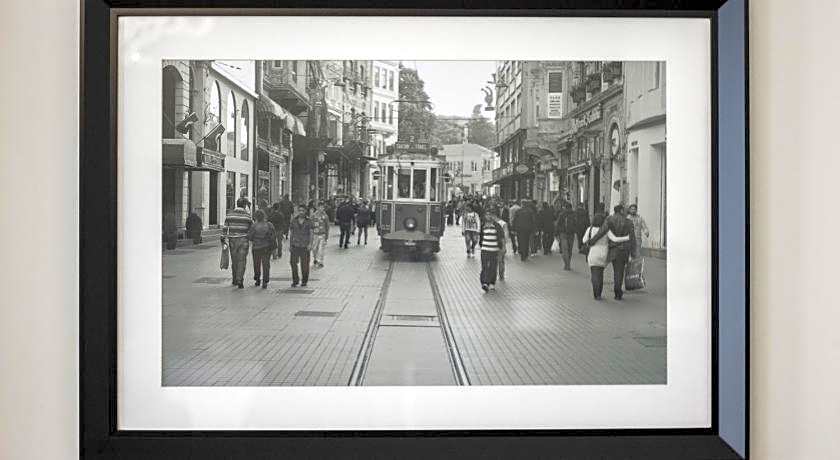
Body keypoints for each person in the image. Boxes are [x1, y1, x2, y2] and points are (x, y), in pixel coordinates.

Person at [585, 204, 636, 300]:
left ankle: (599, 289)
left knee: (602, 269)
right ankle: (617, 291)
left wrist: (592, 241)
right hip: (624, 250)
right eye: (624, 210)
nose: (626, 211)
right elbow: (632, 238)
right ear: (621, 210)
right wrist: (633, 253)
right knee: (619, 271)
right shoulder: (629, 222)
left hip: (612, 250)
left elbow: (602, 231)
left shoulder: (609, 220)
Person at [221, 197, 253, 289]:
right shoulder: (247, 216)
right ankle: (240, 279)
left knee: (234, 260)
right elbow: (251, 229)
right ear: (244, 205)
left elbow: (225, 228)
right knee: (241, 260)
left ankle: (234, 278)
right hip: (243, 241)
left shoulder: (229, 215)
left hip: (232, 241)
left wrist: (223, 238)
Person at [246, 209, 277, 289]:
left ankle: (257, 279)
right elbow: (273, 237)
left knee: (257, 264)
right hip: (266, 247)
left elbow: (250, 237)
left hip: (256, 247)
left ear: (256, 216)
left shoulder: (254, 226)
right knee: (266, 265)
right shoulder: (269, 225)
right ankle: (265, 281)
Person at [479, 210, 505, 292]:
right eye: (486, 215)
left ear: (493, 216)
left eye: (490, 215)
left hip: (494, 250)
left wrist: (503, 248)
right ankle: (485, 283)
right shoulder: (483, 225)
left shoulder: (497, 226)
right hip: (484, 249)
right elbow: (481, 237)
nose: (488, 217)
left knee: (493, 267)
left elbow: (502, 237)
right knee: (485, 267)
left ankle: (492, 283)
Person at [288, 205, 314, 287]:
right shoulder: (294, 220)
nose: (301, 212)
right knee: (293, 263)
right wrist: (290, 244)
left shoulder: (309, 221)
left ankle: (304, 280)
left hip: (305, 245)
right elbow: (291, 233)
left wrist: (310, 244)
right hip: (295, 245)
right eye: (299, 210)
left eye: (302, 210)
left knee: (305, 264)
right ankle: (295, 280)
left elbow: (311, 233)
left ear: (305, 211)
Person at [554, 202, 577, 271]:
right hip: (571, 234)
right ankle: (568, 263)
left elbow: (558, 224)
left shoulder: (562, 214)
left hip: (563, 233)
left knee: (564, 250)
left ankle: (567, 265)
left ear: (565, 207)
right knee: (569, 249)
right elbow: (576, 224)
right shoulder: (574, 214)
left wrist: (556, 233)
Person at [309, 201, 330, 269]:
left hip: (322, 234)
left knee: (321, 249)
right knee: (314, 248)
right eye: (320, 207)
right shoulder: (313, 215)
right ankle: (315, 259)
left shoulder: (325, 216)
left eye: (322, 207)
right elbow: (310, 225)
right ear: (317, 207)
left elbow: (327, 226)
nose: (321, 208)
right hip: (315, 234)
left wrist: (327, 236)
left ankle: (321, 261)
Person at [493, 211, 509, 281]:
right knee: (501, 260)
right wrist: (504, 244)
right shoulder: (504, 223)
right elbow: (506, 234)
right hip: (500, 244)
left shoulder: (493, 223)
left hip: (494, 244)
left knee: (495, 261)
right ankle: (501, 275)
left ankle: (495, 275)